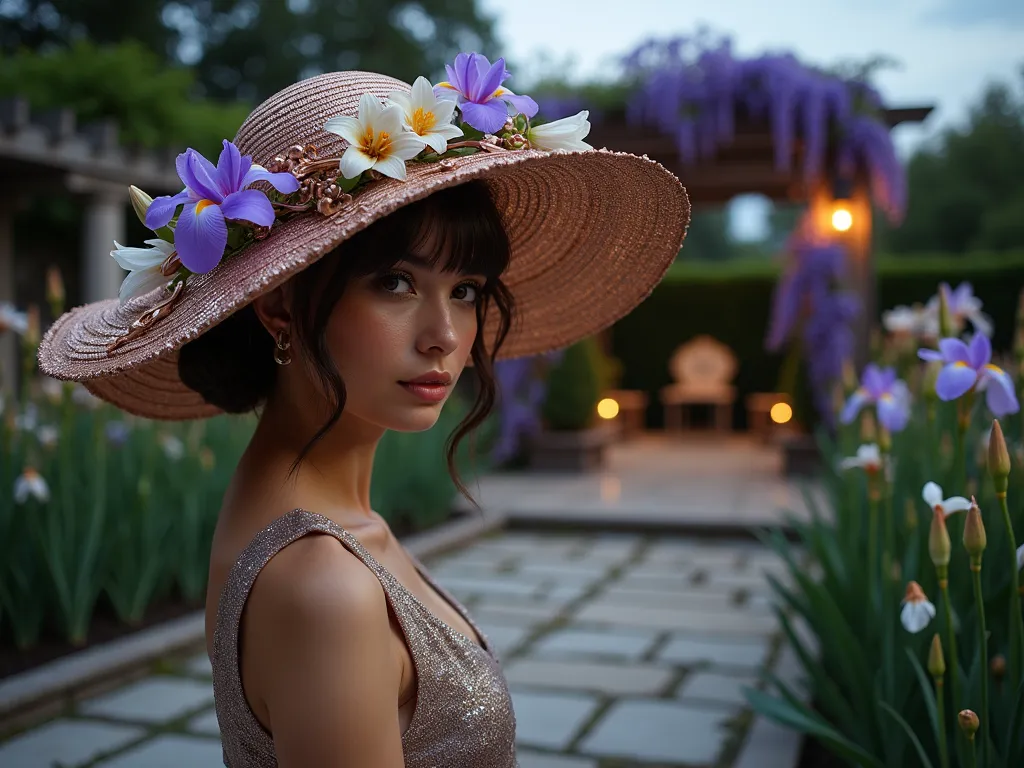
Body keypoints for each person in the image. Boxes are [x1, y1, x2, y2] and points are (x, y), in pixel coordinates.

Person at [38, 55, 689, 767]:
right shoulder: (324, 586)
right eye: (397, 281)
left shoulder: (306, 519)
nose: (446, 335)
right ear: (280, 304)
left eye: (466, 289)